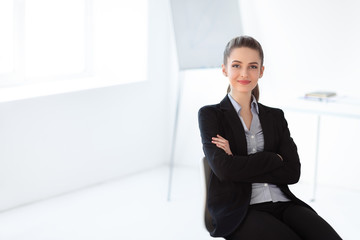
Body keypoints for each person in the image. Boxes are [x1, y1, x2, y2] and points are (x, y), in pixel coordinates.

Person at [198, 36, 342, 240]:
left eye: (253, 66)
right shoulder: (211, 115)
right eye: (237, 65)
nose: (244, 74)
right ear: (224, 69)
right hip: (240, 210)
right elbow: (224, 170)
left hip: (284, 203)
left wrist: (237, 162)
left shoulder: (275, 116)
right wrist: (273, 159)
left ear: (261, 71)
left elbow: (293, 172)